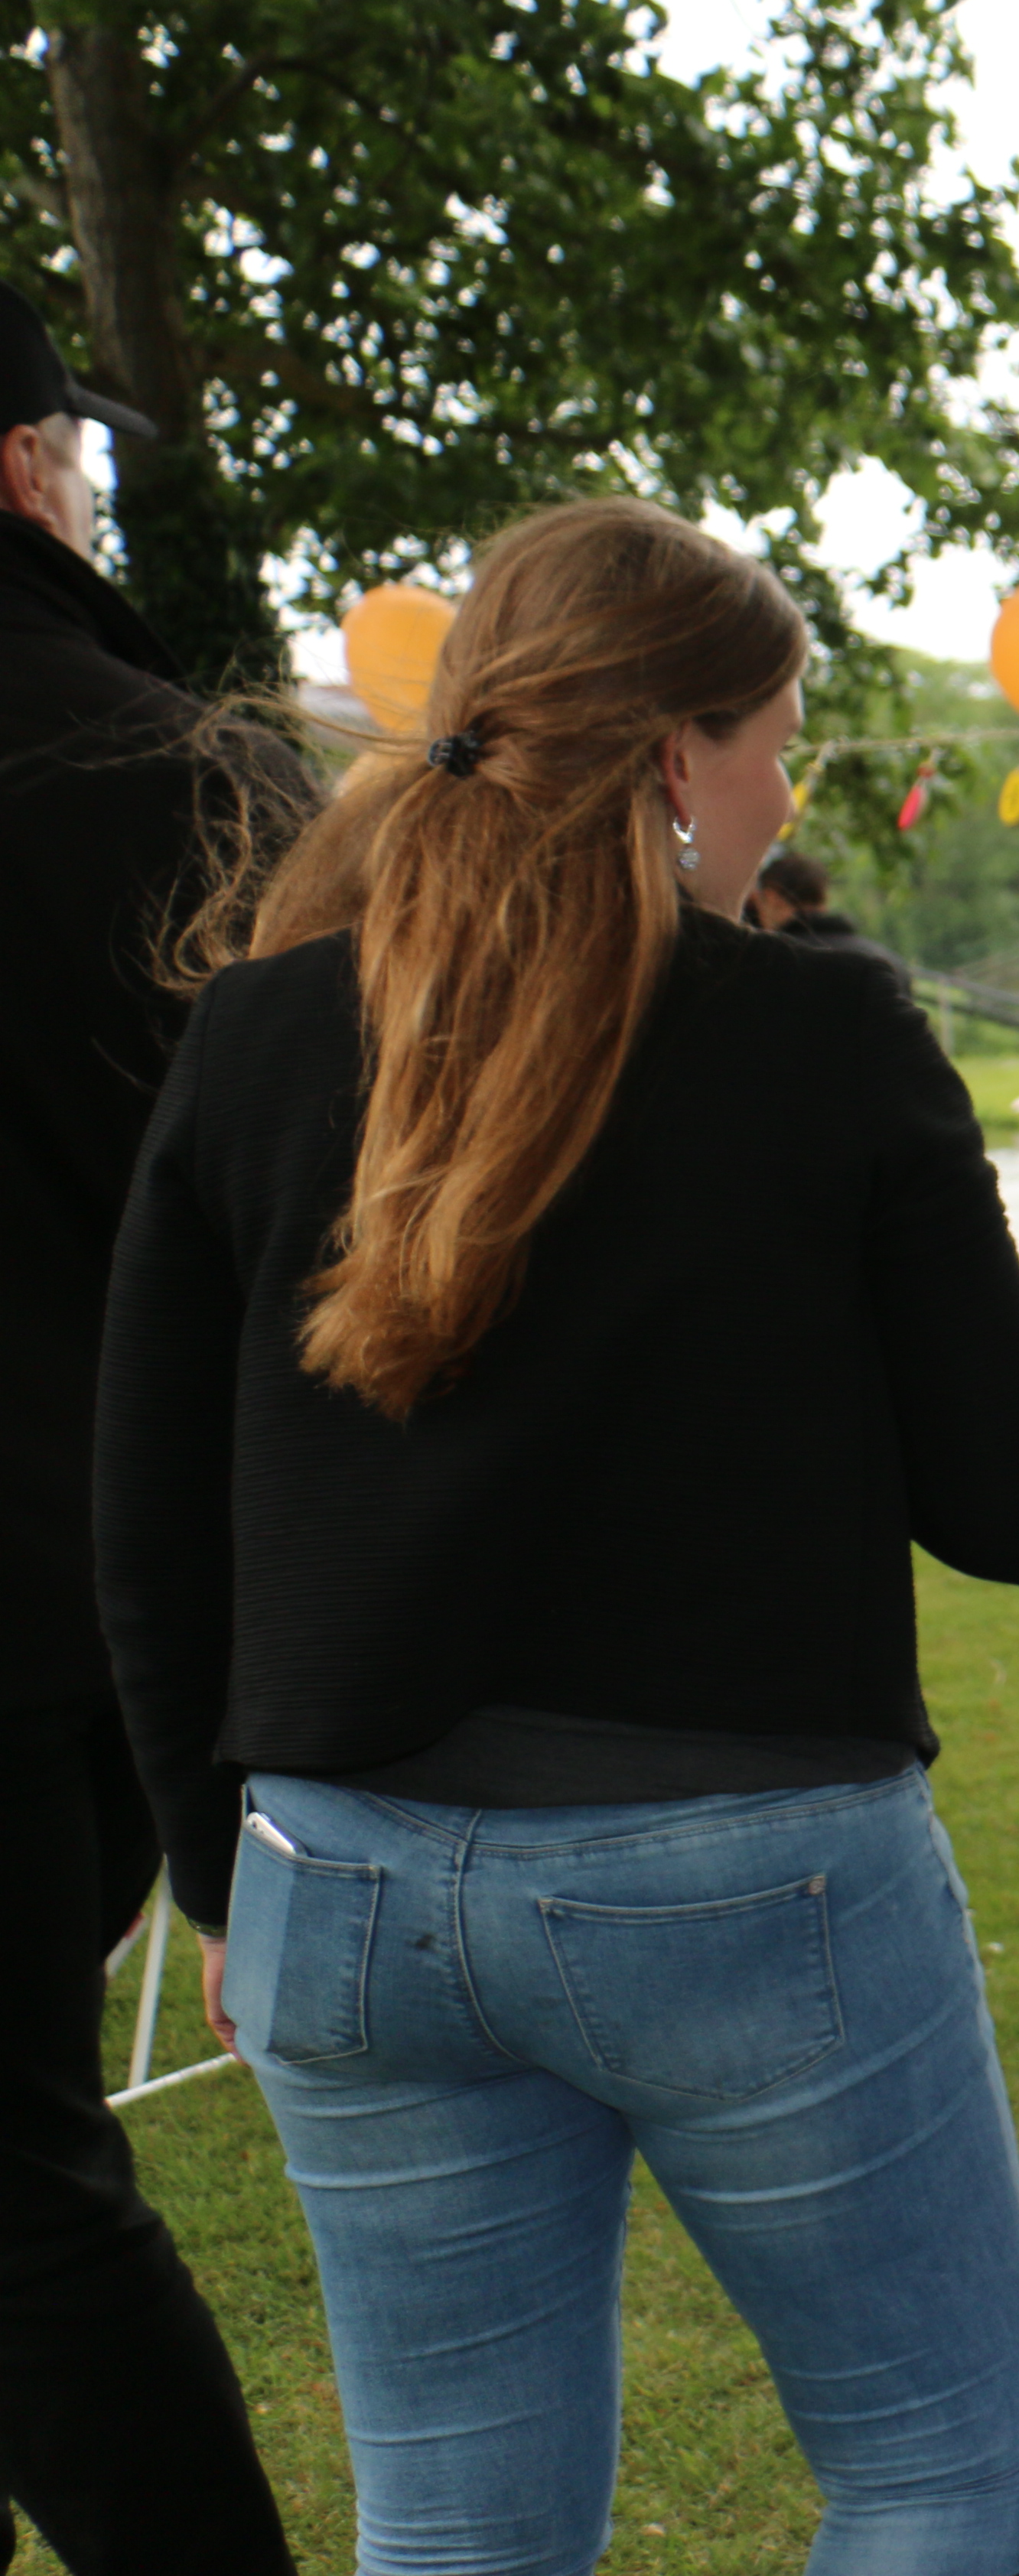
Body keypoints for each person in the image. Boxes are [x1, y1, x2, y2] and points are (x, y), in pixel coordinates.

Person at [96, 496, 1019, 2573]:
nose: (784, 789)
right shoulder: (826, 1035)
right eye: (775, 740)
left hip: (343, 1890)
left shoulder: (263, 1034)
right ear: (667, 758)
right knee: (934, 2471)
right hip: (752, 1883)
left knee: (455, 2523)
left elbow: (150, 1517)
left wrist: (218, 1877)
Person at [0, 287, 299, 2571]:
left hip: (64, 1622)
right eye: (80, 459)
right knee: (24, 2198)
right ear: (24, 470)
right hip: (60, 1622)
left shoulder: (163, 767)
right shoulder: (178, 776)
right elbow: (300, 1263)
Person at [753, 845, 902, 968]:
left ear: (771, 897)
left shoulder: (773, 959)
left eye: (758, 902)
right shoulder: (890, 962)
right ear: (824, 898)